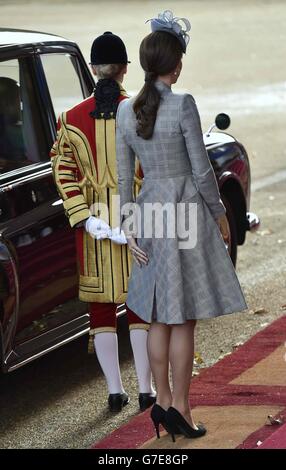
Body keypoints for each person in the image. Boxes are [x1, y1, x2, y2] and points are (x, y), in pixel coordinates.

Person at [116, 11, 248, 440]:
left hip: (150, 211)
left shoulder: (124, 111)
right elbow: (203, 170)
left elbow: (123, 180)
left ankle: (161, 402)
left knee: (158, 316)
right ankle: (183, 408)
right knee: (184, 317)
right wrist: (220, 214)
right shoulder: (183, 104)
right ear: (174, 63)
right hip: (186, 212)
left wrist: (130, 227)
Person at [50, 31, 156, 413]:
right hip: (139, 223)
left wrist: (85, 218)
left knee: (102, 309)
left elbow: (62, 171)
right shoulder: (146, 111)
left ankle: (115, 391)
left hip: (94, 230)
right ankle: (147, 390)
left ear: (94, 69)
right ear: (125, 70)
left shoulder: (70, 118)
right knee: (142, 306)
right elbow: (157, 172)